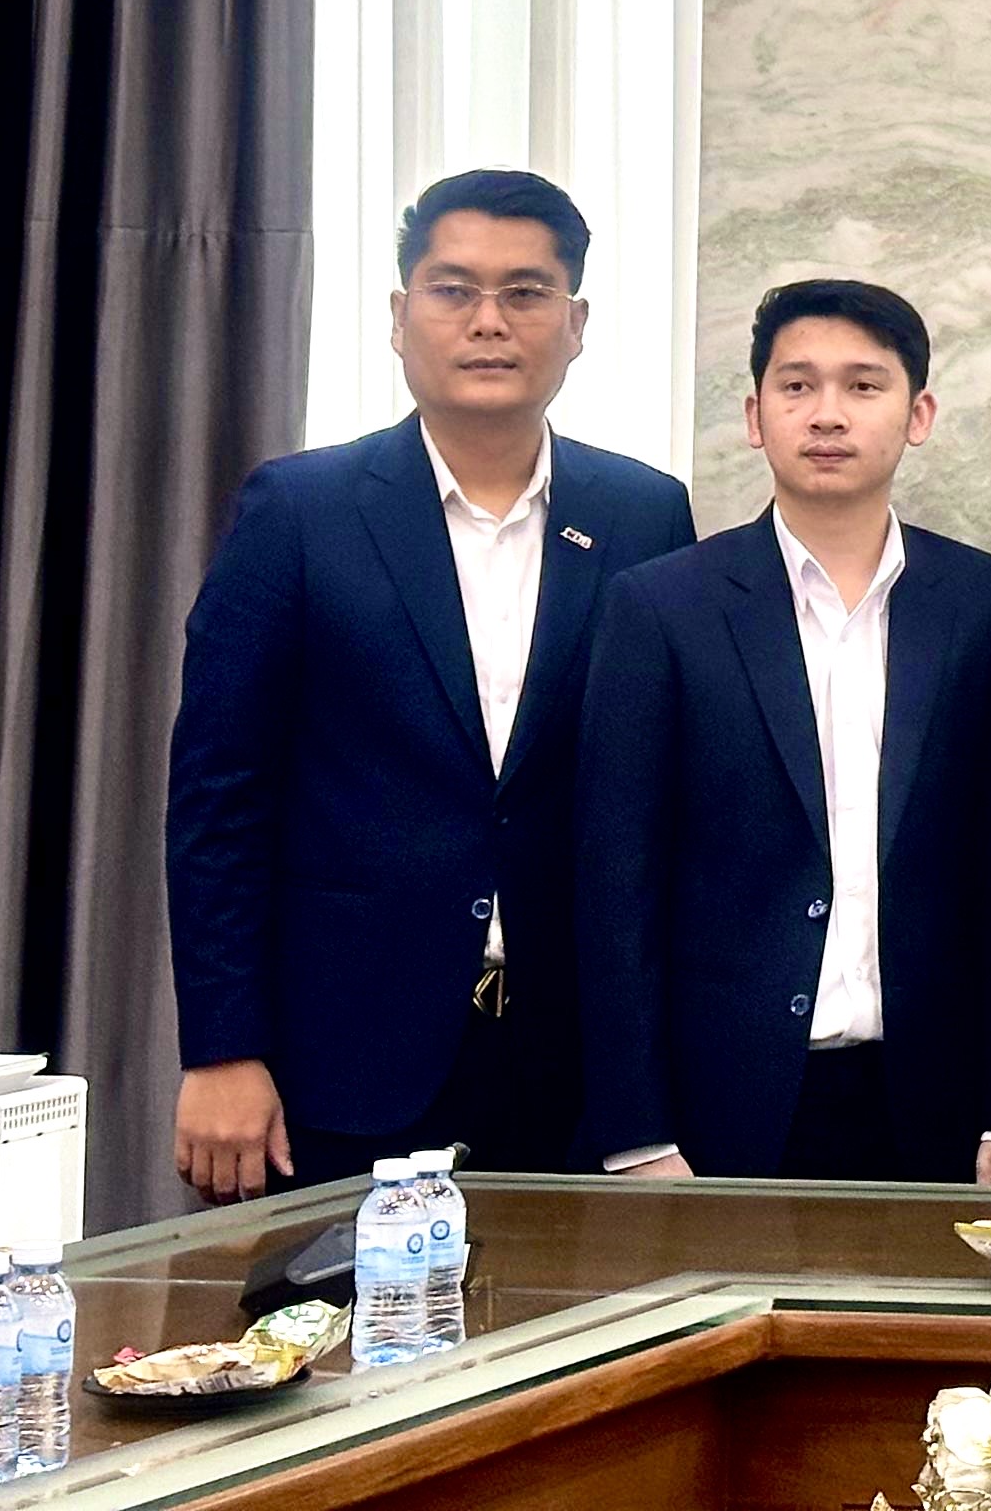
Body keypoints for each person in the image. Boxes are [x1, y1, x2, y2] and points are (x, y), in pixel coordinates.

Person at [164, 168, 694, 1198]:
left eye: (526, 292)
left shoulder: (644, 514)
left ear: (576, 323)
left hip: (577, 1060)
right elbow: (219, 795)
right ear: (400, 317)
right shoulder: (300, 511)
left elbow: (661, 798)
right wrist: (223, 1047)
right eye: (454, 290)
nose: (489, 321)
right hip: (345, 1055)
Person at [575, 280, 991, 1184]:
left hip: (936, 1107)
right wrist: (638, 1133)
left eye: (863, 385)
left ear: (919, 414)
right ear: (755, 416)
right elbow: (615, 880)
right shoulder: (663, 607)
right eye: (797, 386)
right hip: (719, 1110)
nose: (828, 413)